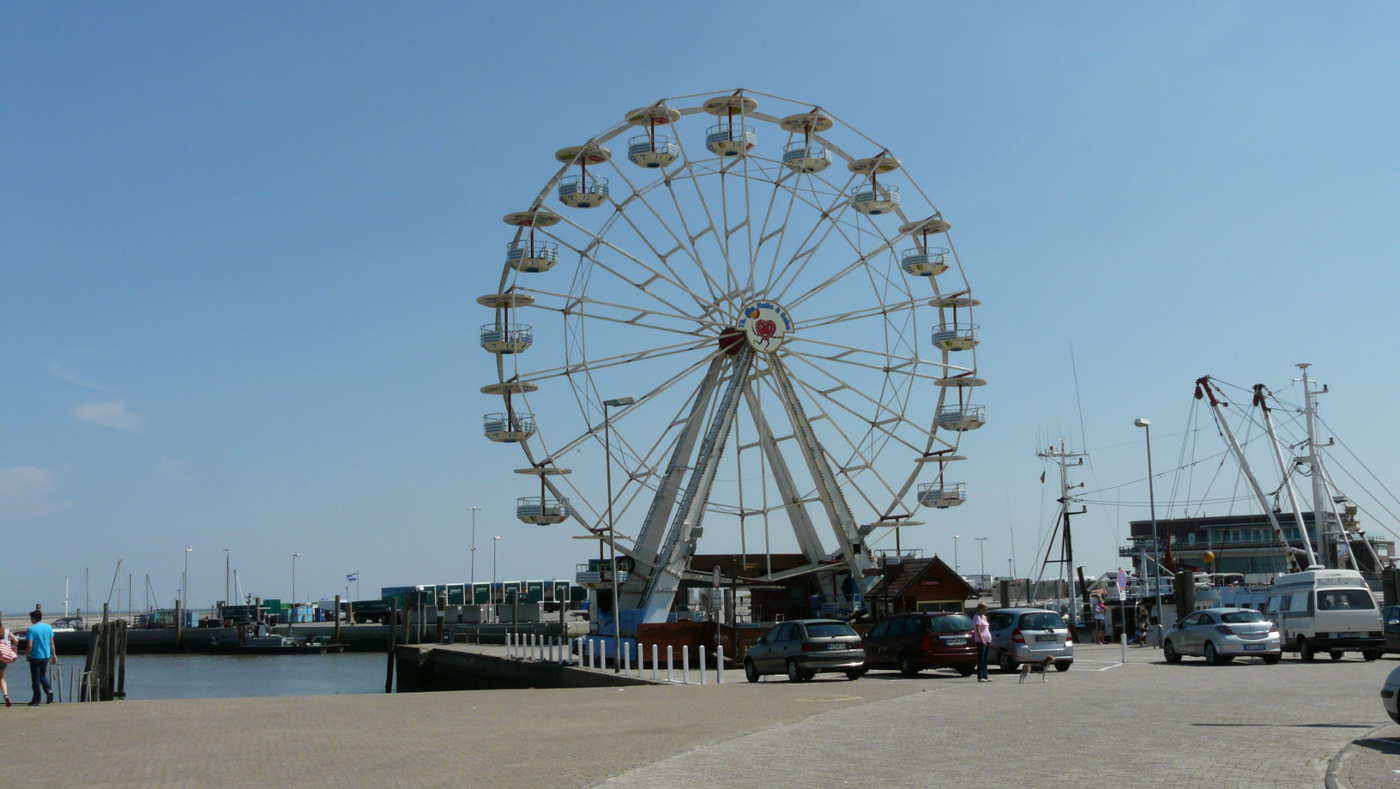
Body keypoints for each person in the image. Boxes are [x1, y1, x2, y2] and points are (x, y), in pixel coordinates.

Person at [24, 610, 56, 706]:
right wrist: (54, 655)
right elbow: (52, 643)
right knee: (42, 675)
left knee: (35, 679)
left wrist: (28, 655)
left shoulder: (31, 629)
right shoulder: (48, 627)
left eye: (31, 618)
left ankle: (36, 699)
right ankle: (49, 691)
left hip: (35, 656)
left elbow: (29, 645)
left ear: (33, 618)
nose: (30, 620)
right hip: (46, 656)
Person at [971, 603, 992, 683]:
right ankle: (980, 677)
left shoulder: (984, 617)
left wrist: (989, 639)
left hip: (987, 640)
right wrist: (982, 639)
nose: (986, 610)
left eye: (986, 609)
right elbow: (978, 630)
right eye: (985, 609)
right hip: (981, 641)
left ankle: (985, 676)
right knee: (981, 659)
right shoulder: (977, 617)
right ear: (980, 609)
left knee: (985, 659)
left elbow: (986, 629)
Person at [0, 622, 17, 707]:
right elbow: (16, 641)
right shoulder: (6, 631)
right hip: (3, 657)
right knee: (1, 678)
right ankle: (6, 695)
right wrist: (12, 648)